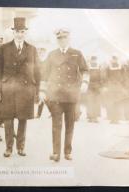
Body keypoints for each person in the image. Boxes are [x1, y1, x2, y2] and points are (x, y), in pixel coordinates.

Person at [41, 28, 89, 162]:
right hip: (55, 95)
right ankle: (56, 153)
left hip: (71, 95)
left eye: (64, 38)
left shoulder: (77, 54)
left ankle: (68, 151)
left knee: (70, 125)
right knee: (56, 125)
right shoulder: (52, 55)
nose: (62, 41)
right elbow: (44, 74)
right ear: (57, 40)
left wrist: (85, 82)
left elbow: (85, 70)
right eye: (59, 39)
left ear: (69, 39)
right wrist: (42, 91)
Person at [0, 17, 41, 157]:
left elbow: (37, 72)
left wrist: (37, 92)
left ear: (25, 32)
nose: (20, 34)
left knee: (23, 119)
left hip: (25, 90)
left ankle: (21, 147)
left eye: (22, 31)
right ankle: (9, 148)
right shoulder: (3, 48)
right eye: (17, 32)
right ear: (13, 32)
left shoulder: (32, 49)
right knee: (8, 119)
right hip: (7, 89)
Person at [86, 56, 103, 123]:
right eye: (93, 59)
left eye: (94, 59)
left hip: (94, 86)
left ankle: (93, 117)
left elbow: (101, 77)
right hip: (93, 86)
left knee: (93, 102)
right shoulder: (97, 66)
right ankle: (92, 117)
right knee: (92, 102)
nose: (94, 61)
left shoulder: (92, 66)